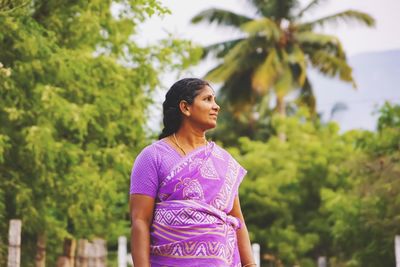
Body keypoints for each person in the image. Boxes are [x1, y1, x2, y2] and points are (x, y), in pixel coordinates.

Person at [129, 78, 256, 267]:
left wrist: (251, 265)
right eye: (208, 99)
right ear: (185, 108)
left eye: (215, 100)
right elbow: (140, 221)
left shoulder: (223, 160)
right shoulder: (152, 156)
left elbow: (238, 220)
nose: (216, 106)